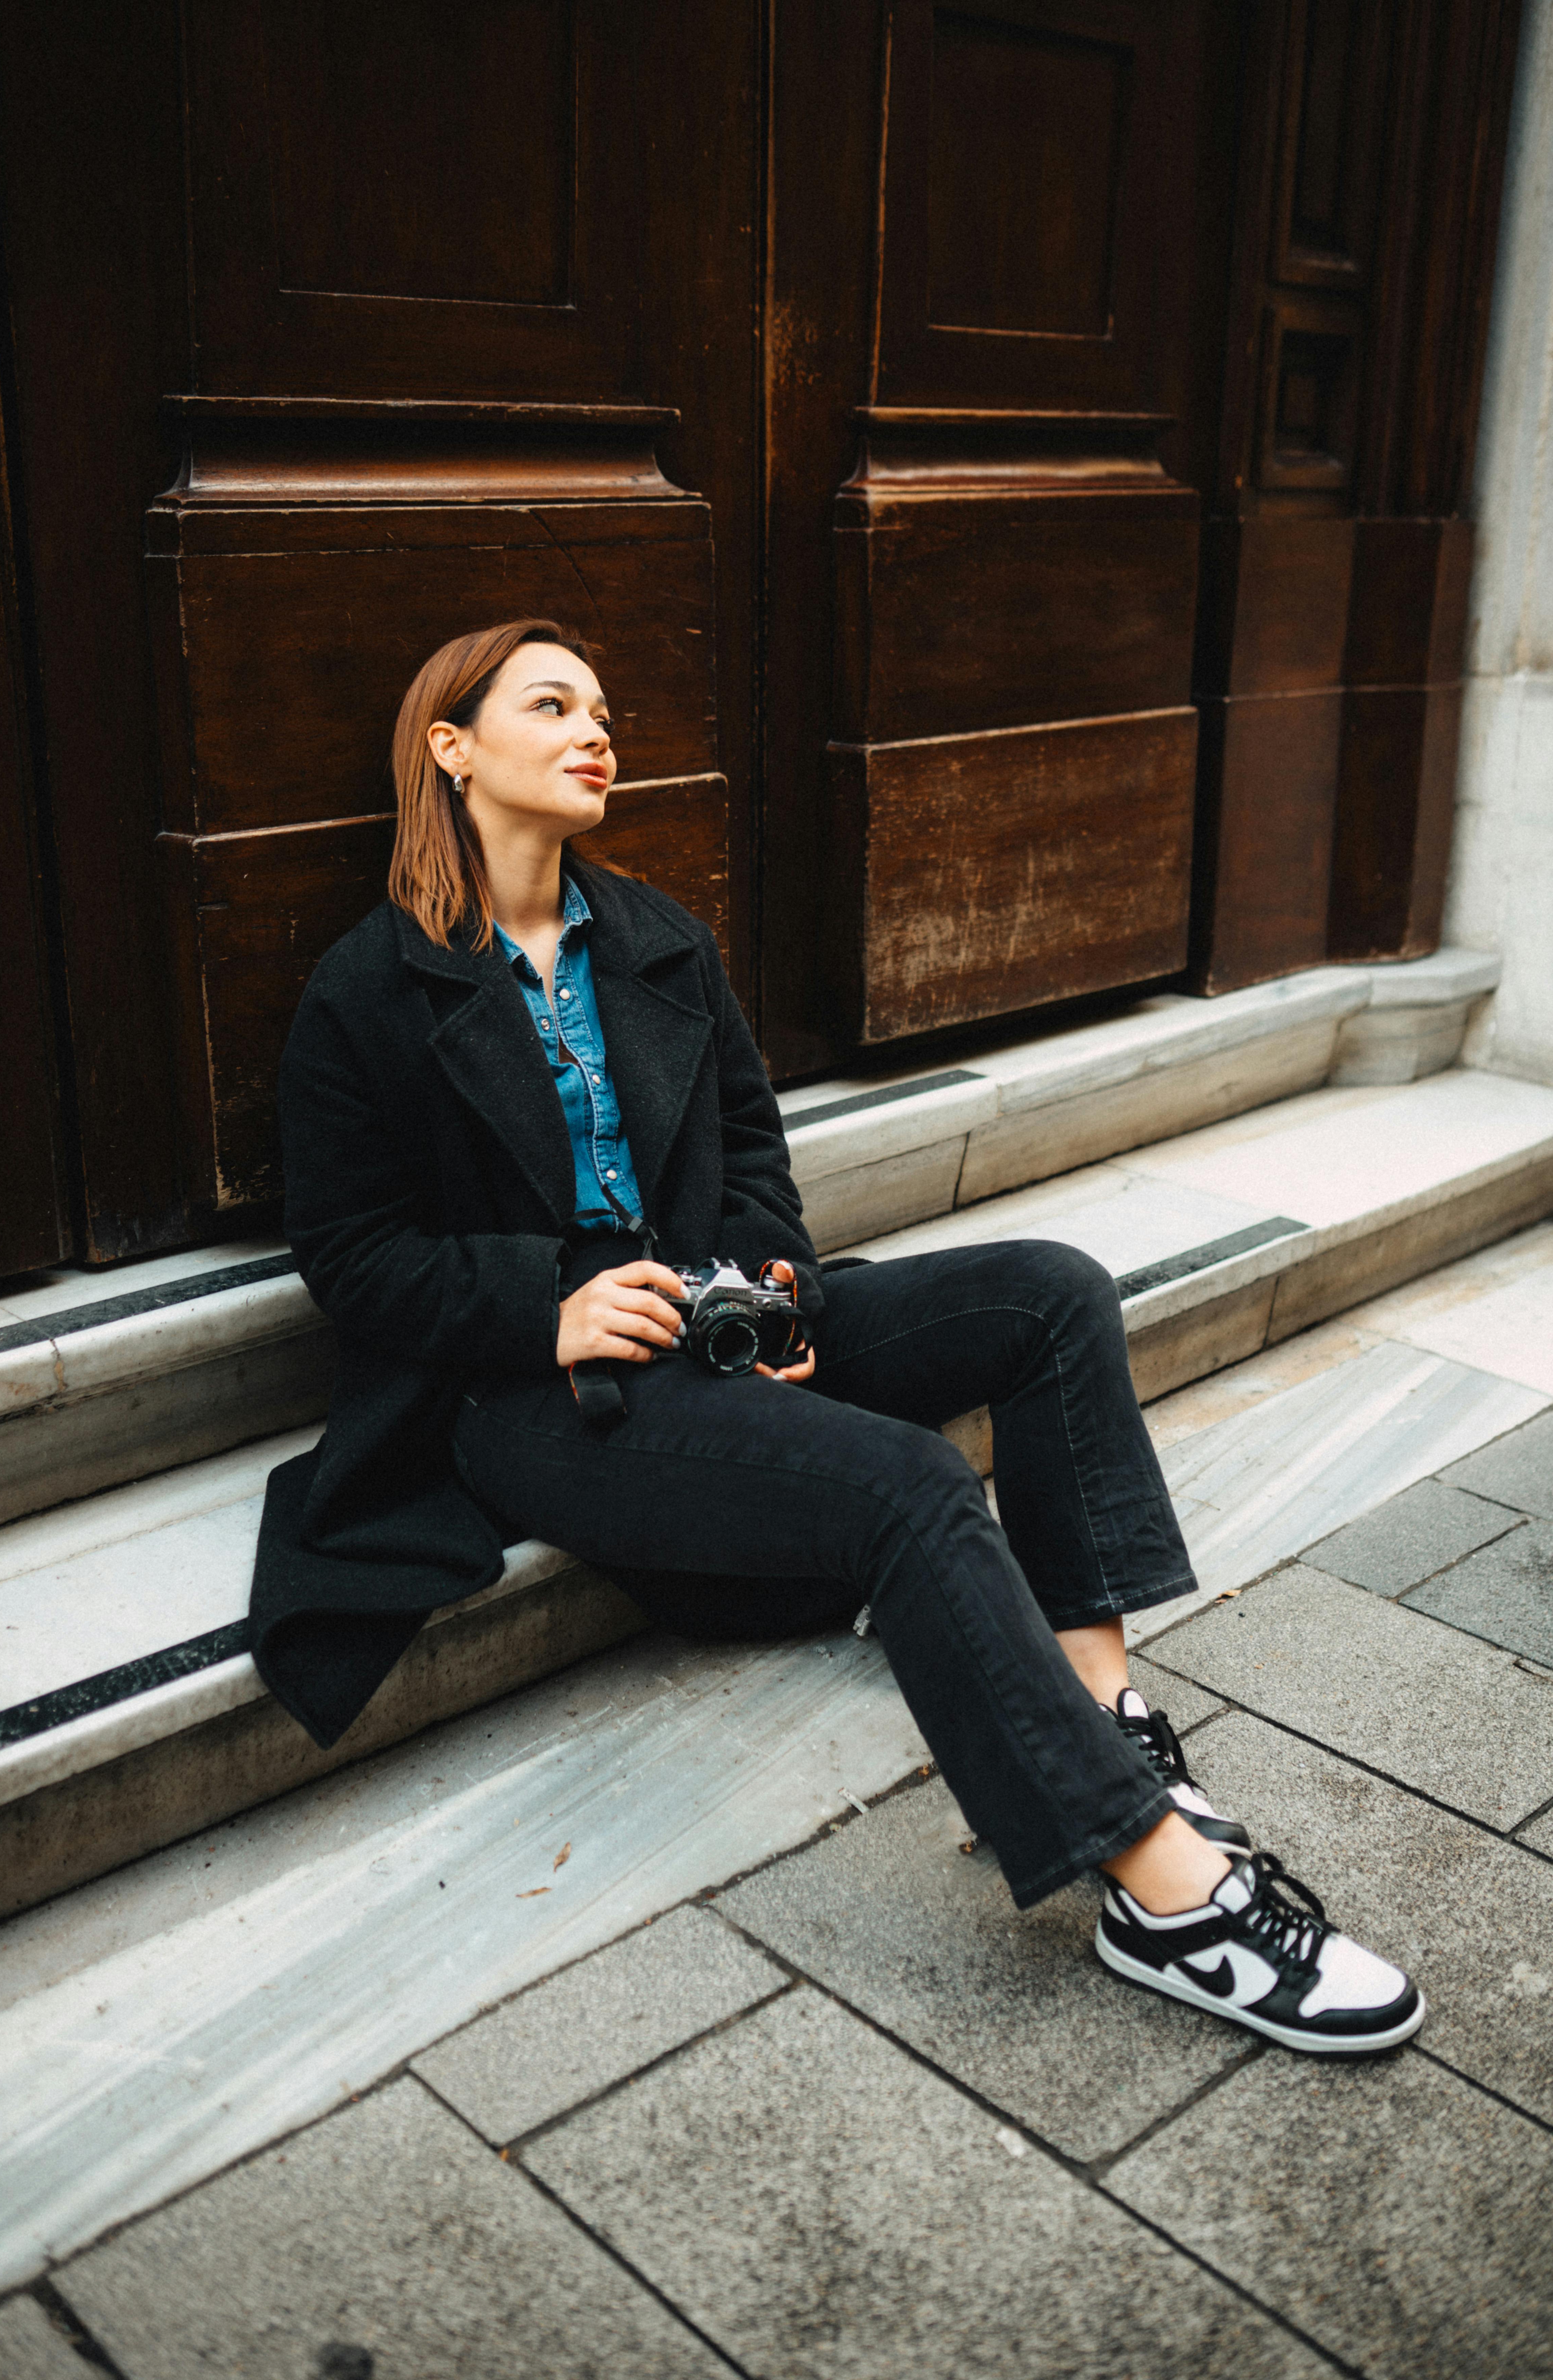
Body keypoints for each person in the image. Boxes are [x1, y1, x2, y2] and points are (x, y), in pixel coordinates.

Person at [251, 616, 1424, 2058]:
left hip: (712, 1321)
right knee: (914, 1484)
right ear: (451, 748)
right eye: (552, 705)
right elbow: (351, 1257)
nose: (595, 730)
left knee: (1049, 1289)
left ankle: (1101, 1707)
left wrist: (776, 1285)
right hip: (538, 1392)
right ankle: (1165, 1900)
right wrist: (543, 1307)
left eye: (605, 709)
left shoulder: (658, 941)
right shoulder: (369, 990)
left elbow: (753, 1158)